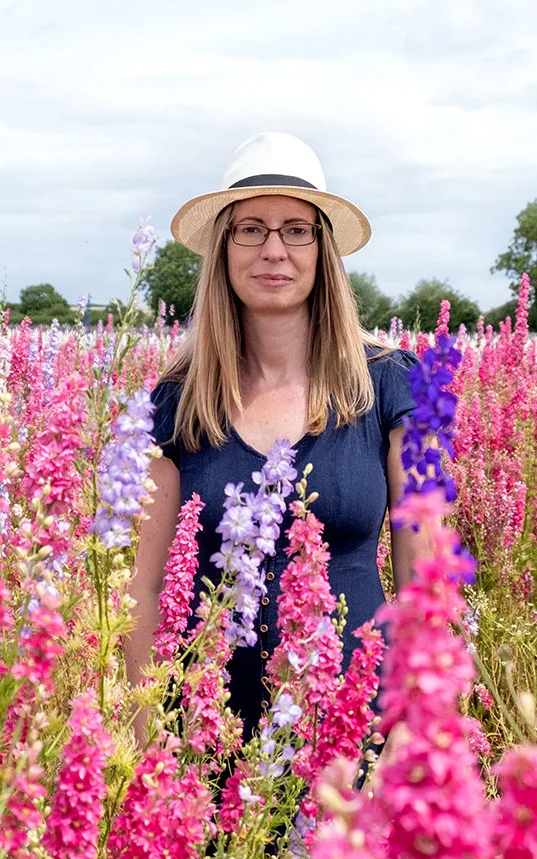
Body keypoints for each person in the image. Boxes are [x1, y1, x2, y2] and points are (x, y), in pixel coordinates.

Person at [125, 132, 427, 748]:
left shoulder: (397, 385)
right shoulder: (173, 404)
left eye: (295, 229)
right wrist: (148, 735)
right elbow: (145, 587)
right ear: (223, 248)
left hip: (353, 732)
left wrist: (414, 730)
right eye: (249, 229)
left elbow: (427, 578)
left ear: (323, 250)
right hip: (202, 738)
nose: (273, 251)